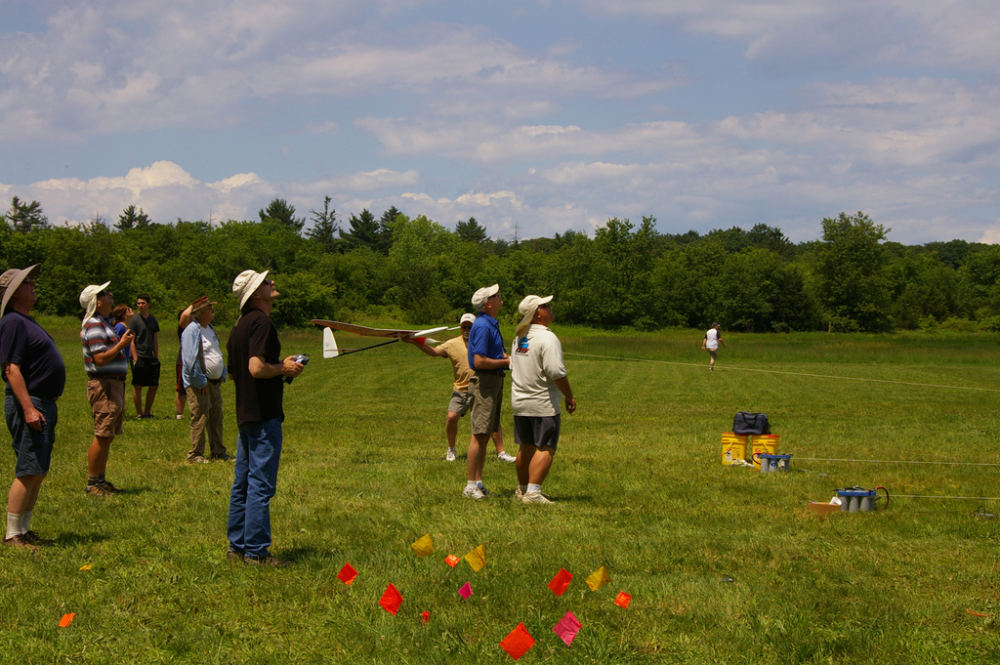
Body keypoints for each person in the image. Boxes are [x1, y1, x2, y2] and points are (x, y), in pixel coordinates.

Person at [226, 270, 304, 566]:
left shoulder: (238, 326)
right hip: (263, 414)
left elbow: (235, 372)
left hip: (245, 413)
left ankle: (237, 547)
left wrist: (279, 368)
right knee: (260, 484)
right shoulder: (262, 322)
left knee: (243, 483)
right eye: (267, 282)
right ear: (257, 293)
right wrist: (283, 368)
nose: (273, 284)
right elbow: (256, 368)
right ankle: (257, 552)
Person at [1, 265, 66, 549]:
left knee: (38, 468)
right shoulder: (13, 322)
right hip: (31, 401)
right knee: (28, 467)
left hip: (43, 402)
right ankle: (13, 534)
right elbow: (11, 369)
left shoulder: (26, 320)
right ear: (15, 293)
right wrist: (28, 408)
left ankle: (24, 529)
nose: (33, 284)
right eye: (27, 282)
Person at [406, 313, 514, 463]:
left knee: (491, 421)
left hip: (482, 387)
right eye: (464, 327)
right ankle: (451, 449)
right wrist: (415, 342)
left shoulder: (483, 342)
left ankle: (501, 452)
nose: (467, 329)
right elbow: (435, 352)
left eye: (470, 326)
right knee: (452, 418)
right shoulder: (451, 344)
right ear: (460, 327)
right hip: (462, 389)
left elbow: (501, 356)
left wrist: (514, 361)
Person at [510, 295, 576, 505]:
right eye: (546, 305)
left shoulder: (519, 336)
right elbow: (556, 372)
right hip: (542, 402)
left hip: (520, 402)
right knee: (546, 447)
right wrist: (569, 395)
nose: (550, 308)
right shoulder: (548, 338)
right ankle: (533, 493)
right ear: (537, 313)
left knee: (525, 446)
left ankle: (521, 490)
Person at [80, 282, 134, 496]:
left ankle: (101, 481)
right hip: (104, 384)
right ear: (97, 301)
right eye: (104, 293)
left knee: (107, 434)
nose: (110, 295)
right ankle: (93, 483)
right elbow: (100, 358)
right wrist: (121, 345)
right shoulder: (94, 324)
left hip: (113, 384)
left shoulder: (103, 323)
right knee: (102, 434)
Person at [463, 284, 510, 499]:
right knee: (479, 434)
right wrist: (506, 361)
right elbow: (479, 361)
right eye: (496, 295)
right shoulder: (483, 326)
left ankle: (478, 483)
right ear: (488, 303)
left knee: (484, 436)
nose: (501, 297)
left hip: (494, 381)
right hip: (485, 383)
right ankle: (470, 486)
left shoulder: (490, 324)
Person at [181, 297, 229, 464]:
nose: (213, 312)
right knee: (201, 417)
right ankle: (196, 454)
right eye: (210, 309)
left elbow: (216, 351)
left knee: (216, 417)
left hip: (215, 382)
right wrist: (200, 382)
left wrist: (222, 372)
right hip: (200, 384)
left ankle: (218, 451)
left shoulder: (209, 328)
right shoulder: (192, 331)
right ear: (201, 313)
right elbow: (189, 360)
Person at [129, 293, 160, 418]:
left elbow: (155, 339)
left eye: (143, 303)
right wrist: (135, 358)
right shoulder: (135, 319)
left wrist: (156, 356)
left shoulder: (153, 320)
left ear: (148, 304)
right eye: (138, 303)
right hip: (139, 355)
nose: (140, 305)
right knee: (138, 385)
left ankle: (147, 412)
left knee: (154, 385)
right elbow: (131, 340)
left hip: (150, 356)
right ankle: (139, 413)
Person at [174, 306, 195, 420]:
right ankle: (179, 413)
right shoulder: (183, 328)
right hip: (183, 361)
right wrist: (194, 305)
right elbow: (185, 316)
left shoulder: (197, 328)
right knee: (182, 388)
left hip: (196, 362)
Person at [112, 304, 134, 373]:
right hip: (117, 363)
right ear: (123, 314)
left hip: (123, 361)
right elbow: (113, 343)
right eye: (128, 309)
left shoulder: (126, 327)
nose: (130, 309)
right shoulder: (119, 327)